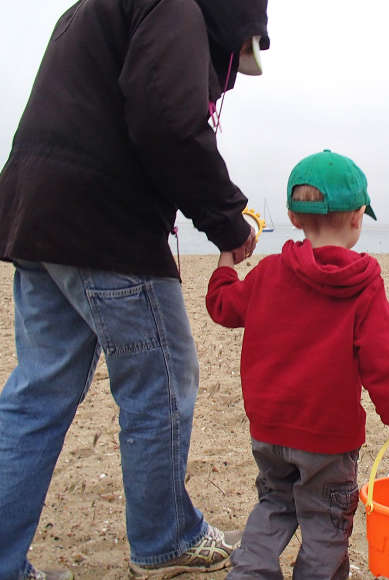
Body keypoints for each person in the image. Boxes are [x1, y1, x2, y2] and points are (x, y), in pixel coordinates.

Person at [0, 1, 270, 578]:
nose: (226, 69)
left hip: (35, 214)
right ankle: (164, 538)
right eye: (235, 52)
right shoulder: (175, 5)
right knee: (162, 388)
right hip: (106, 226)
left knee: (36, 395)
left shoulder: (90, 9)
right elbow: (168, 120)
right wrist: (226, 219)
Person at [205, 150, 389, 578]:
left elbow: (222, 306)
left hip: (269, 430)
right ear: (358, 218)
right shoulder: (363, 284)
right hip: (329, 440)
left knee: (274, 504)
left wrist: (227, 262)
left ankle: (248, 572)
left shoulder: (268, 273)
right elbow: (385, 361)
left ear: (292, 215)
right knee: (325, 523)